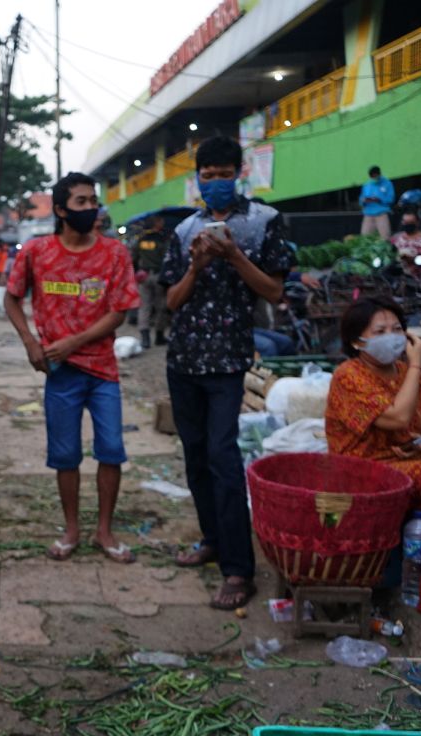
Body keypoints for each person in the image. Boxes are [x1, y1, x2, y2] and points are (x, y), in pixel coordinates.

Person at [161, 136, 291, 610]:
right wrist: (195, 266)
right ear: (197, 179)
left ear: (240, 172)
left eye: (223, 173)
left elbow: (275, 292)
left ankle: (239, 570)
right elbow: (172, 302)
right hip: (183, 359)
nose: (215, 182)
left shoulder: (263, 222)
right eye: (207, 175)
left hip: (229, 360)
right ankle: (212, 539)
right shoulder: (184, 230)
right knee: (195, 455)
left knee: (222, 455)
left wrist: (235, 256)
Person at [3, 172, 140, 564]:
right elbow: (12, 300)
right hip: (59, 374)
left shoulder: (114, 254)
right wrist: (31, 342)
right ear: (61, 210)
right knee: (65, 456)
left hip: (103, 372)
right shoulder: (36, 251)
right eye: (81, 202)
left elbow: (120, 312)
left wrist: (73, 342)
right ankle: (72, 530)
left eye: (92, 201)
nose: (91, 208)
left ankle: (105, 532)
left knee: (111, 450)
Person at [326, 297, 421, 539]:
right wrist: (416, 363)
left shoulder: (408, 374)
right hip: (361, 469)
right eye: (380, 331)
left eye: (397, 330)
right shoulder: (348, 376)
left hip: (406, 463)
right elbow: (398, 419)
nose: (392, 336)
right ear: (356, 342)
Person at [133, 215, 169, 348]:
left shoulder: (141, 239)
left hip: (144, 276)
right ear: (156, 223)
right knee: (161, 306)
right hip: (159, 276)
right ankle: (159, 336)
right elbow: (167, 258)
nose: (163, 222)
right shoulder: (162, 239)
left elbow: (133, 257)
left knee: (144, 306)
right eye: (161, 220)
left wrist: (137, 271)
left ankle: (145, 338)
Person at [390, 211, 421, 275]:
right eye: (406, 222)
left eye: (411, 222)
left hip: (420, 274)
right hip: (398, 274)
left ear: (417, 223)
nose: (408, 224)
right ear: (402, 222)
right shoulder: (395, 238)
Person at [359, 166, 395, 239]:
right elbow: (361, 199)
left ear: (379, 174)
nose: (373, 178)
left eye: (375, 176)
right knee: (365, 237)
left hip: (381, 213)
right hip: (368, 213)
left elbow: (391, 199)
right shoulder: (367, 184)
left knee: (385, 237)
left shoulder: (387, 183)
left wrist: (379, 200)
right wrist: (364, 201)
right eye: (372, 177)